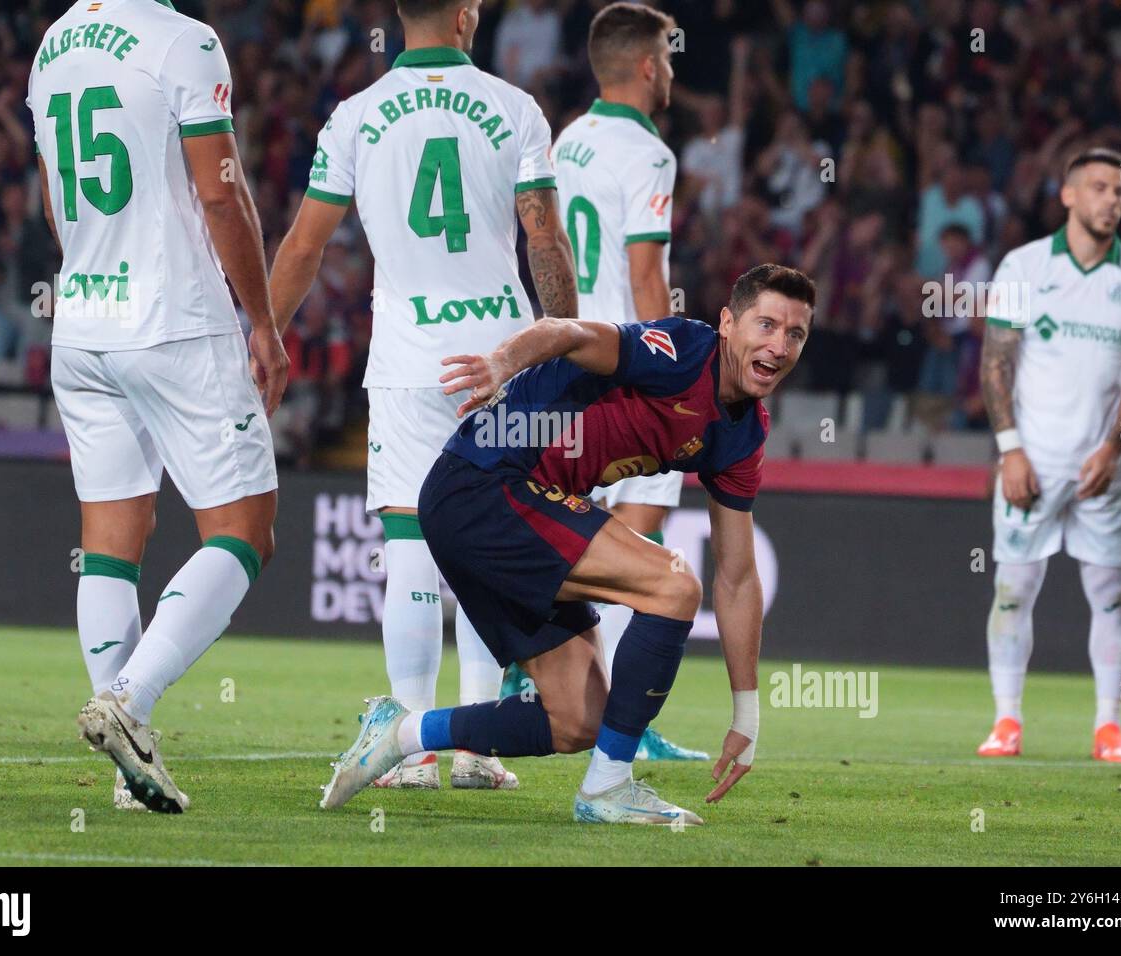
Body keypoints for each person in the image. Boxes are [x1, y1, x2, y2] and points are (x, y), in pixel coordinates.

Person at [320, 264, 815, 825]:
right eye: (766, 325)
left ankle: (402, 730)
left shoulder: (743, 436)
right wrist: (501, 364)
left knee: (577, 720)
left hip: (515, 509)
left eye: (794, 334)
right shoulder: (681, 351)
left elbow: (738, 577)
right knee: (674, 586)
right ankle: (608, 789)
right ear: (728, 323)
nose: (778, 345)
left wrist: (746, 716)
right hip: (484, 485)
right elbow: (571, 333)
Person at [269, 0, 578, 792]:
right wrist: (566, 338)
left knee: (409, 538)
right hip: (502, 361)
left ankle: (410, 749)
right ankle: (478, 746)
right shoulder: (515, 109)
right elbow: (542, 236)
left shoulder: (354, 117)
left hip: (409, 360)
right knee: (493, 543)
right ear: (469, 13)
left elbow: (305, 245)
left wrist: (264, 336)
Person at [28, 0, 289, 811]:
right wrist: (262, 321)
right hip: (175, 322)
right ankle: (129, 703)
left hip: (82, 323)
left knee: (110, 544)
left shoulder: (53, 45)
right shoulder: (185, 40)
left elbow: (54, 205)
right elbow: (222, 195)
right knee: (245, 530)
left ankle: (126, 771)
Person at [515, 0, 704, 761]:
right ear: (650, 65)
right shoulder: (650, 152)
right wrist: (674, 373)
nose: (673, 72)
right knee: (637, 544)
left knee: (574, 535)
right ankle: (624, 726)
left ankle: (534, 679)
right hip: (627, 367)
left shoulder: (570, 139)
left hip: (567, 361)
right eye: (670, 57)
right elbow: (645, 273)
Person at [977, 148, 1121, 763]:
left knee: (1111, 594)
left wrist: (1115, 448)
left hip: (1104, 467)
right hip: (1033, 458)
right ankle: (1007, 721)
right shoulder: (1024, 266)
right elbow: (996, 363)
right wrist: (1010, 450)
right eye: (1100, 186)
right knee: (1013, 588)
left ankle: (1109, 727)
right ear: (1067, 195)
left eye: (1120, 190)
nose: (1114, 198)